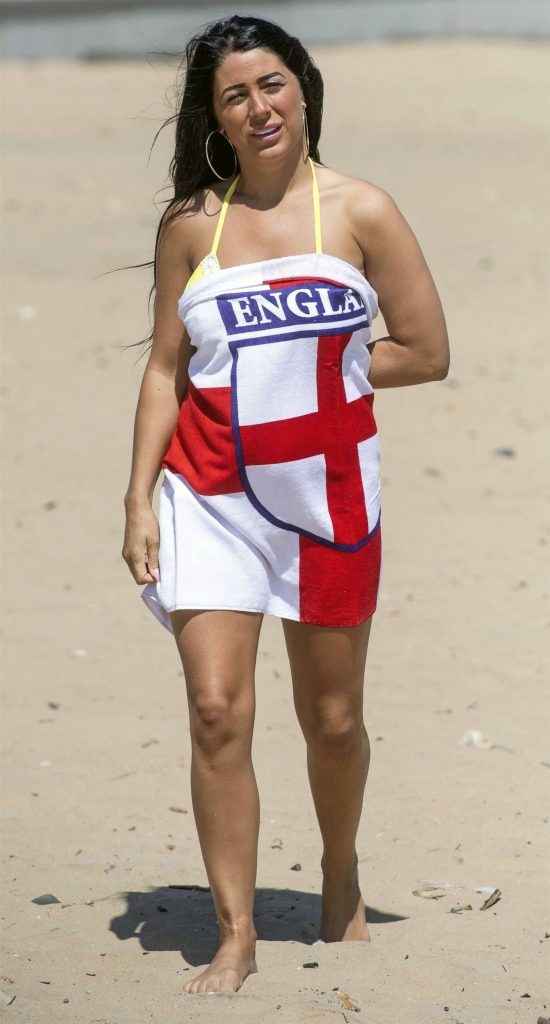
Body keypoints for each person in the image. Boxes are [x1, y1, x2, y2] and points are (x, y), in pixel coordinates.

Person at [122, 13, 449, 996]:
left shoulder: (362, 211)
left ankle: (339, 871)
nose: (257, 106)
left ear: (302, 88)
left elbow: (424, 352)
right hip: (209, 492)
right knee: (216, 710)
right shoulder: (193, 222)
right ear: (216, 117)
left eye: (271, 84)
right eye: (235, 95)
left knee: (333, 720)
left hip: (327, 500)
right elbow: (165, 369)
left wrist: (323, 370)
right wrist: (137, 496)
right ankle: (237, 934)